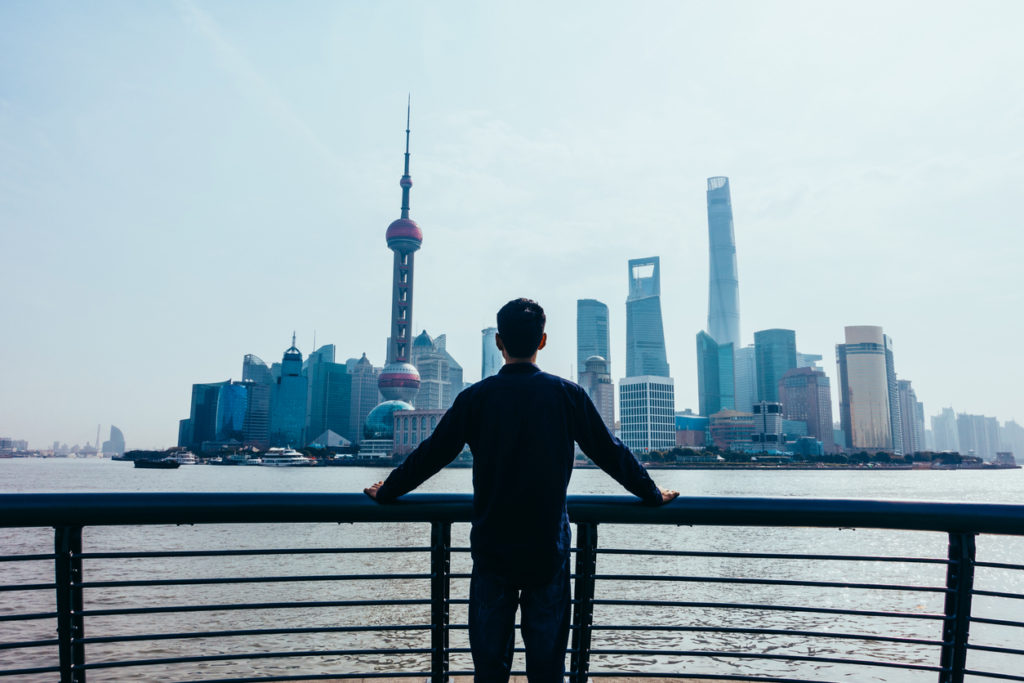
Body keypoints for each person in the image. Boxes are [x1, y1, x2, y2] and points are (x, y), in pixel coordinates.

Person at [365, 298, 678, 682]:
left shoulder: (475, 398)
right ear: (542, 341)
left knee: (490, 670)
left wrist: (389, 490)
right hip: (547, 551)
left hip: (492, 552)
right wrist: (651, 492)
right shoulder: (567, 395)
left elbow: (432, 454)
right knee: (547, 669)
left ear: (499, 342)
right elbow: (609, 453)